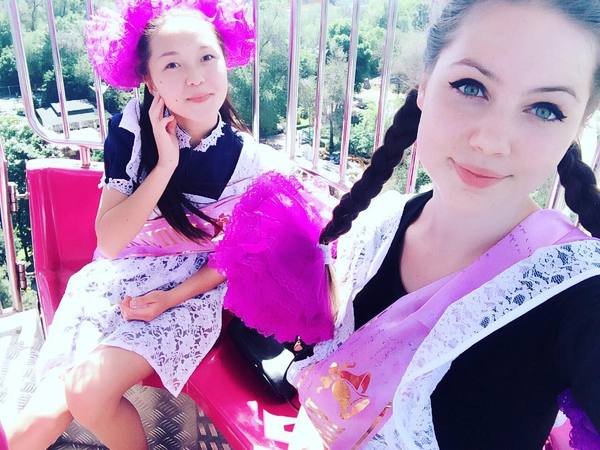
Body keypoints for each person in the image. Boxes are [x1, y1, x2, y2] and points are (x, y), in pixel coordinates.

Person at [281, 1, 600, 449]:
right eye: (471, 86)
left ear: (577, 126)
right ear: (425, 85)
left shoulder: (581, 294)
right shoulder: (380, 228)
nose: (490, 141)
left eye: (546, 109)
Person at [6, 1, 287, 449]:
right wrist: (164, 166)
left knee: (87, 391)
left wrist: (171, 297)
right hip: (120, 279)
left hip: (195, 290)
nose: (194, 77)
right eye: (172, 64)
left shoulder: (254, 162)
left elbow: (233, 259)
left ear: (226, 61)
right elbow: (111, 241)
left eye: (206, 57)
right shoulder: (132, 132)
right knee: (31, 427)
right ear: (150, 80)